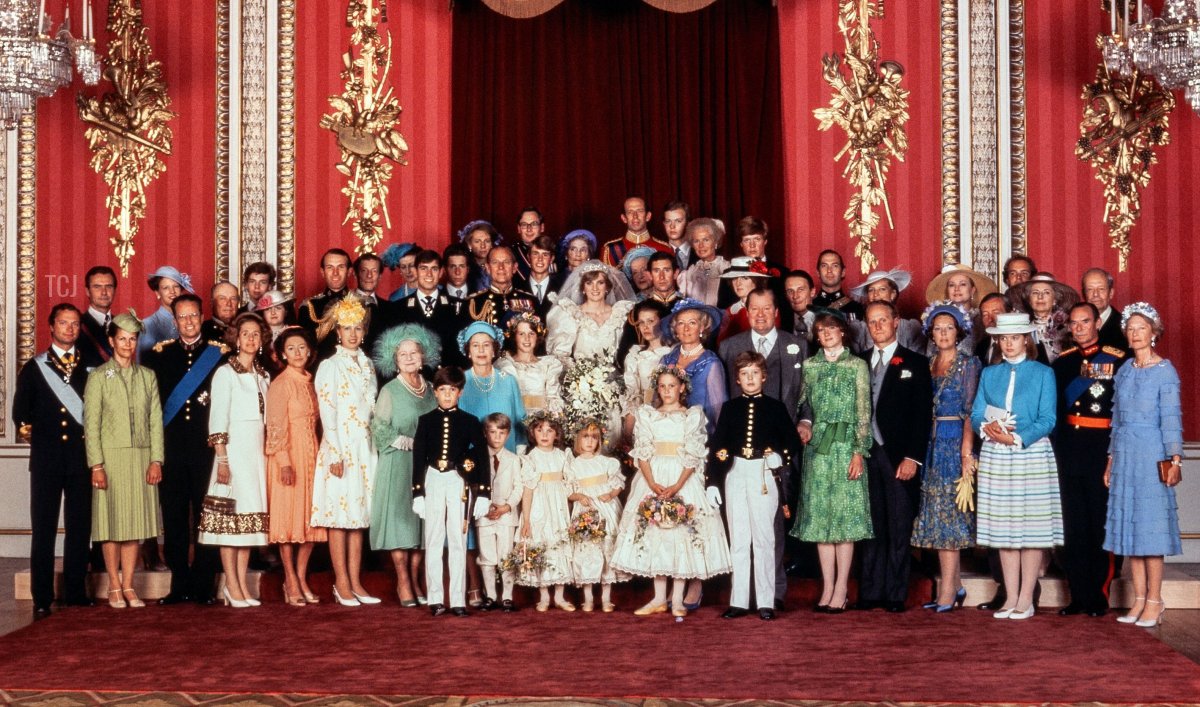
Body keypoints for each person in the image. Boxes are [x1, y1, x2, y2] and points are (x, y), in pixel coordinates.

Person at [717, 287, 812, 608]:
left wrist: (806, 424)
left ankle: (773, 594)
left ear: (776, 312)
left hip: (778, 451)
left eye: (766, 308)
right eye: (753, 309)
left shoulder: (796, 345)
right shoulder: (730, 347)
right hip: (741, 459)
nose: (759, 315)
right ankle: (742, 598)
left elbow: (807, 396)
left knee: (771, 526)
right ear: (747, 311)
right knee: (741, 531)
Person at [610, 366, 731, 617]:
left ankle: (677, 599)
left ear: (682, 388)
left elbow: (694, 454)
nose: (667, 391)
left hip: (681, 477)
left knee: (680, 535)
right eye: (662, 386)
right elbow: (642, 452)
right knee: (657, 535)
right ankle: (657, 598)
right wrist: (652, 483)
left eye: (672, 386)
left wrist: (677, 486)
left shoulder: (692, 415)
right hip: (653, 476)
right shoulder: (648, 415)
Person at [971, 312, 1063, 621]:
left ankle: (1026, 598)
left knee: (1030, 530)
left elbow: (1048, 419)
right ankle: (1009, 597)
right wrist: (988, 431)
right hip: (996, 453)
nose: (1009, 344)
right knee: (1003, 530)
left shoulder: (1041, 373)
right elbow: (976, 414)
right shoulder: (989, 373)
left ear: (1026, 338)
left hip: (1031, 452)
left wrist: (1017, 439)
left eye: (1014, 338)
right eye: (1003, 338)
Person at [142, 292, 226, 605]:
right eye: (182, 317)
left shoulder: (219, 355)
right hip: (173, 449)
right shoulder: (158, 356)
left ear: (201, 316)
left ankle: (204, 583)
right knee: (175, 517)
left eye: (193, 316)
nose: (188, 322)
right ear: (174, 321)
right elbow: (152, 408)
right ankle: (180, 583)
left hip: (206, 449)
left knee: (207, 516)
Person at [13, 304, 94, 617]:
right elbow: (21, 414)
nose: (70, 329)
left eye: (75, 324)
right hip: (47, 461)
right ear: (51, 326)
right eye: (64, 323)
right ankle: (42, 596)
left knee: (79, 528)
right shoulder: (34, 368)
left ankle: (76, 592)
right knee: (44, 529)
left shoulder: (90, 366)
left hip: (80, 459)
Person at [708, 351, 801, 621]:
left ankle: (765, 601)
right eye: (744, 374)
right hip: (736, 472)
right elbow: (719, 448)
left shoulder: (775, 407)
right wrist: (713, 481)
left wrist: (780, 457)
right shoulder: (730, 408)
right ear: (737, 379)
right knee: (738, 539)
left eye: (755, 373)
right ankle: (738, 600)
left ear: (764, 376)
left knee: (764, 539)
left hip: (763, 474)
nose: (750, 379)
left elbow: (793, 442)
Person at [790, 310, 873, 613]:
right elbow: (801, 404)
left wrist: (859, 451)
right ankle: (827, 587)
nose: (826, 335)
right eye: (821, 331)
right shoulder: (810, 366)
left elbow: (864, 412)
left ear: (843, 331)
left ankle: (842, 589)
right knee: (820, 521)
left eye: (831, 329)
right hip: (818, 449)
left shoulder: (857, 365)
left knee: (845, 521)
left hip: (847, 445)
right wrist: (805, 423)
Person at [1105, 302, 1181, 628]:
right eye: (1131, 328)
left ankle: (1155, 600)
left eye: (1142, 328)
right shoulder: (1124, 370)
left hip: (1153, 453)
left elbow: (1171, 419)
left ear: (1154, 333)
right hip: (1124, 453)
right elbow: (1116, 420)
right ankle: (1137, 599)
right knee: (1130, 529)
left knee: (1150, 530)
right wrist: (1110, 461)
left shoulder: (1165, 371)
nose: (1135, 333)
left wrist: (1174, 459)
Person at [854, 301, 933, 613]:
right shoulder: (858, 362)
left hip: (898, 454)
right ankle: (870, 592)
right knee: (871, 525)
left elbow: (921, 415)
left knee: (899, 525)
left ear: (896, 322)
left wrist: (912, 458)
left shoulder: (915, 362)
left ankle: (895, 594)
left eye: (883, 320)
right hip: (865, 452)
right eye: (872, 322)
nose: (877, 327)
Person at [1052, 302, 1127, 617]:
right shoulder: (1062, 363)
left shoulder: (1119, 360)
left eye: (1085, 321)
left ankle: (1098, 595)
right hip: (1070, 451)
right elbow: (1056, 413)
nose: (1079, 327)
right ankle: (1077, 595)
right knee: (1074, 527)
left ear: (1098, 322)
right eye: (1074, 323)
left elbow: (1122, 412)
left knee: (1099, 524)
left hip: (1101, 451)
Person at [84, 312, 164, 609]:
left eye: (132, 339)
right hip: (111, 460)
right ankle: (114, 587)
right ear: (111, 341)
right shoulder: (98, 377)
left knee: (135, 525)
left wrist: (156, 459)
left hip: (142, 457)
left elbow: (155, 421)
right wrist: (97, 465)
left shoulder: (148, 377)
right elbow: (91, 425)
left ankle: (130, 584)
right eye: (122, 339)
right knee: (111, 524)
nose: (128, 344)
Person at [910, 302, 980, 612]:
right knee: (936, 517)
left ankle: (948, 591)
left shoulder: (969, 364)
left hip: (954, 445)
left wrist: (967, 453)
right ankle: (956, 586)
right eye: (937, 329)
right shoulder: (926, 364)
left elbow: (970, 413)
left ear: (959, 332)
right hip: (930, 445)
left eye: (948, 328)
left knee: (951, 519)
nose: (942, 333)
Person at [198, 314, 271, 608]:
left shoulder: (263, 376)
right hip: (232, 454)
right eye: (245, 334)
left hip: (256, 455)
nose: (251, 339)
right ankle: (230, 584)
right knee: (230, 523)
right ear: (236, 338)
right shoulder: (225, 373)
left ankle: (240, 586)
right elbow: (218, 420)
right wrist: (223, 460)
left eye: (256, 334)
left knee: (247, 524)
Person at [311, 295, 380, 606]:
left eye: (357, 328)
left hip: (365, 448)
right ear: (337, 332)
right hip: (341, 447)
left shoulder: (368, 364)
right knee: (340, 517)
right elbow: (328, 411)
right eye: (346, 328)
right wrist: (336, 453)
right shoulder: (329, 366)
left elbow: (375, 409)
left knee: (358, 517)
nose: (352, 334)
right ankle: (341, 582)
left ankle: (356, 581)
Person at [411, 366, 491, 616]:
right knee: (433, 540)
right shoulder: (426, 421)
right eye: (442, 390)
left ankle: (458, 601)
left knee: (457, 540)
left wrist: (484, 493)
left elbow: (481, 457)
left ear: (460, 392)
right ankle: (436, 599)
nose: (447, 395)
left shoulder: (469, 421)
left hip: (458, 482)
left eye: (452, 390)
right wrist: (418, 493)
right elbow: (418, 459)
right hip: (434, 479)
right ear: (435, 392)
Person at [369, 323, 440, 606]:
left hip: (425, 465)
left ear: (424, 356)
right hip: (398, 463)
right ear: (394, 360)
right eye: (403, 354)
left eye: (414, 352)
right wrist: (403, 441)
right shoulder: (389, 390)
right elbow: (378, 427)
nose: (410, 357)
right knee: (401, 522)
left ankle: (416, 578)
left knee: (419, 526)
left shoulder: (433, 389)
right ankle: (403, 582)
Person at [265, 326, 327, 606]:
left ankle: (301, 577)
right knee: (289, 522)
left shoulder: (309, 381)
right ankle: (289, 579)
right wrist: (284, 463)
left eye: (302, 347)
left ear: (310, 351)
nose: (297, 353)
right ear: (281, 354)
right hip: (288, 457)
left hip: (311, 454)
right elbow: (275, 427)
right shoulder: (281, 383)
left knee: (309, 522)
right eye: (291, 348)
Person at [564, 419, 626, 612]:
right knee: (587, 550)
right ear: (578, 440)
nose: (590, 442)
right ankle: (588, 597)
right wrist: (579, 496)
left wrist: (611, 494)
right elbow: (568, 490)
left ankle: (606, 598)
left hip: (605, 507)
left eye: (594, 437)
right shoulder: (573, 465)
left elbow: (618, 484)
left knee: (606, 548)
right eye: (585, 437)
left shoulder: (606, 462)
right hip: (586, 509)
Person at [517, 412, 575, 611]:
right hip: (538, 508)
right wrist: (526, 520)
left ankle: (559, 595)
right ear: (533, 433)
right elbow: (527, 491)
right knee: (541, 544)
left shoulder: (562, 456)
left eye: (550, 431)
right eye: (540, 430)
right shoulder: (531, 458)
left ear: (557, 435)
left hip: (558, 508)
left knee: (558, 545)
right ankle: (543, 595)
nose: (544, 434)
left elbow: (570, 487)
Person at [546, 260, 636, 366]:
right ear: (583, 288)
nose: (595, 288)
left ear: (607, 287)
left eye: (600, 282)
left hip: (614, 378)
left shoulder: (620, 314)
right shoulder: (571, 314)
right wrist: (579, 377)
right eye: (589, 283)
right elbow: (559, 355)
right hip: (580, 379)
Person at [393, 249, 470, 369]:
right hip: (414, 381)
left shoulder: (459, 306)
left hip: (448, 381)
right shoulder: (398, 309)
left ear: (441, 272)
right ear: (415, 272)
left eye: (434, 269)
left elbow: (465, 350)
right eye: (423, 268)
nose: (429, 274)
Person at [476, 412, 522, 611]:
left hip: (506, 515)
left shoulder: (513, 460)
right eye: (492, 432)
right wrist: (483, 506)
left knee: (506, 556)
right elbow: (472, 485)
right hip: (484, 514)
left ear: (508, 434)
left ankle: (507, 597)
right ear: (485, 433)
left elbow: (518, 487)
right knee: (487, 557)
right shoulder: (477, 458)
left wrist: (506, 507)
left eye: (501, 433)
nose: (496, 437)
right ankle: (490, 596)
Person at [458, 321, 526, 453]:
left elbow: (520, 420)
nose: (481, 350)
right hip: (471, 459)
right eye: (475, 345)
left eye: (486, 345)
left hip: (507, 458)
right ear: (468, 351)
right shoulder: (460, 382)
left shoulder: (509, 381)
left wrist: (520, 453)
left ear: (494, 350)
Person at [659, 298, 726, 433]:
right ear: (675, 328)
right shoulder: (666, 360)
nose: (686, 329)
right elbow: (657, 399)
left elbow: (719, 409)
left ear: (702, 327)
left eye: (692, 323)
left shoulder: (711, 363)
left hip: (700, 436)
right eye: (681, 323)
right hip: (668, 432)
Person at [622, 300, 673, 440]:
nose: (645, 327)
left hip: (671, 417)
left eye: (650, 321)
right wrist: (626, 434)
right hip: (644, 417)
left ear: (662, 322)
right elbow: (633, 397)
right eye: (641, 322)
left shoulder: (674, 353)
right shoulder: (636, 356)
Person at [497, 312, 563, 416]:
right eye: (521, 334)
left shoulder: (549, 365)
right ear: (514, 337)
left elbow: (553, 398)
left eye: (531, 333)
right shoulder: (505, 365)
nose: (527, 338)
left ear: (538, 336)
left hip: (541, 424)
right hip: (514, 419)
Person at [925, 263, 999, 355]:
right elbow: (929, 354)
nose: (957, 289)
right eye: (952, 285)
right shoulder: (937, 319)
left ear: (972, 290)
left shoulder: (981, 319)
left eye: (962, 284)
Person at [850, 268, 926, 353]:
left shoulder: (910, 328)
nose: (876, 294)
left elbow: (918, 361)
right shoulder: (859, 329)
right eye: (871, 290)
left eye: (882, 289)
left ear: (893, 294)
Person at [1007, 273, 1078, 363]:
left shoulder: (1068, 329)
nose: (1040, 297)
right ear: (1029, 300)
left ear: (1054, 300)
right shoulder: (1022, 331)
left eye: (1046, 292)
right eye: (1035, 293)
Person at [465, 246, 542, 328]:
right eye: (495, 262)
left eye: (506, 262)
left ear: (514, 268)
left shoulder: (530, 300)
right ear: (488, 268)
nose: (501, 267)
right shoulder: (474, 302)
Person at [298, 248, 353, 361]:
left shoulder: (363, 304)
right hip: (320, 369)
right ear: (322, 272)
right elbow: (303, 346)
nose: (335, 273)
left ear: (349, 271)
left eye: (341, 267)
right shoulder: (309, 306)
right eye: (330, 267)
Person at [601, 196, 672, 267]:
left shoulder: (664, 248)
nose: (635, 216)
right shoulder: (610, 250)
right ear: (624, 218)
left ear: (648, 216)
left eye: (640, 211)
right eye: (630, 212)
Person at [139, 265, 193, 359]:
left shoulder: (191, 320)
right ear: (157, 293)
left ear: (181, 291)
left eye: (176, 286)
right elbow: (144, 363)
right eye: (165, 288)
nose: (172, 291)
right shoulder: (148, 324)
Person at [716, 257, 772, 343]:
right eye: (735, 278)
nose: (738, 283)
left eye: (744, 278)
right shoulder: (730, 311)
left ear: (757, 281)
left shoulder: (768, 309)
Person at [676, 217, 729, 306]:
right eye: (696, 241)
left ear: (715, 242)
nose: (701, 245)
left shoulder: (727, 269)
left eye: (706, 240)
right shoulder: (689, 272)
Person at [352, 251, 396, 351]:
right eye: (364, 271)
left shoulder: (391, 309)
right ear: (356, 274)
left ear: (380, 276)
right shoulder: (343, 305)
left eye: (374, 271)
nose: (369, 276)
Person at [78, 265, 117, 367]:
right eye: (97, 287)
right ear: (87, 291)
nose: (104, 292)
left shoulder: (123, 325)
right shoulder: (76, 326)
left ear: (114, 290)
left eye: (109, 286)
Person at [812, 250, 865, 321]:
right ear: (818, 272)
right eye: (824, 266)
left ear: (843, 272)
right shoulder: (810, 305)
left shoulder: (857, 308)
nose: (829, 270)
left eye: (835, 266)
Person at [1081, 268, 1124, 348]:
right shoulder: (1074, 325)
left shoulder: (1124, 325)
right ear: (1084, 294)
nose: (1095, 294)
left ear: (1111, 293)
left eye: (1101, 289)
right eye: (1090, 289)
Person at [515, 235, 562, 306]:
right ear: (529, 257)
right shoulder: (517, 289)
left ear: (552, 259)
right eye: (535, 254)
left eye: (545, 255)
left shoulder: (562, 288)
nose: (540, 259)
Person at [254, 290, 295, 367]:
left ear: (286, 311)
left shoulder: (294, 333)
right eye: (268, 309)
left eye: (278, 308)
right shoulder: (257, 335)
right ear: (263, 314)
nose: (273, 312)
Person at [458, 219, 501, 292]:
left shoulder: (500, 266)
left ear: (492, 244)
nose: (483, 246)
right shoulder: (465, 268)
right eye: (477, 241)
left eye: (487, 241)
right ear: (469, 245)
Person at [512, 207, 547, 281]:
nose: (529, 229)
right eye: (524, 224)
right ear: (519, 228)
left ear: (542, 227)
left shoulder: (553, 252)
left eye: (534, 224)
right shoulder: (511, 253)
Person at [783, 269, 817, 341]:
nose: (795, 296)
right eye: (790, 291)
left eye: (801, 289)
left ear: (812, 292)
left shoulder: (826, 318)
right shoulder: (782, 323)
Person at [661, 200, 693, 270]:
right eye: (668, 221)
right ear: (664, 224)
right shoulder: (658, 251)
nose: (672, 226)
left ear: (688, 224)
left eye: (678, 221)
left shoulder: (700, 250)